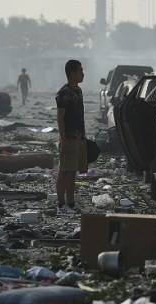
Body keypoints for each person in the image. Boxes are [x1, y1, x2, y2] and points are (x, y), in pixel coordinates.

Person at [55, 60, 87, 215]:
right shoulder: (64, 93)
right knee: (64, 171)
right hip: (68, 137)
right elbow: (60, 118)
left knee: (72, 171)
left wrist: (83, 138)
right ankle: (61, 204)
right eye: (80, 70)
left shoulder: (78, 91)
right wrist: (63, 139)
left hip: (78, 137)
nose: (83, 73)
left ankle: (71, 202)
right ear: (72, 73)